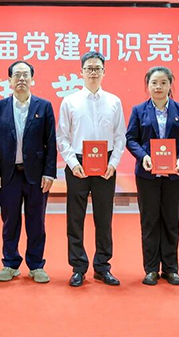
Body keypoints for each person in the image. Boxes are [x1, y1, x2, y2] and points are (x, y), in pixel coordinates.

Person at [57, 51, 126, 287]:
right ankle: (78, 267)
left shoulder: (114, 101)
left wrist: (113, 163)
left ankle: (102, 266)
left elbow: (120, 136)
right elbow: (62, 137)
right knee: (75, 218)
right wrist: (72, 163)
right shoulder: (70, 101)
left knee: (104, 218)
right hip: (77, 163)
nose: (93, 72)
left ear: (104, 72)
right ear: (81, 72)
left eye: (97, 68)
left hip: (105, 164)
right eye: (89, 68)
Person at [0, 61, 57, 284]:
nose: (21, 79)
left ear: (32, 79)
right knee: (10, 221)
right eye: (17, 75)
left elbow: (51, 142)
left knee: (36, 221)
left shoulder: (43, 107)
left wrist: (49, 173)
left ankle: (36, 265)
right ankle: (10, 263)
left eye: (26, 75)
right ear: (9, 80)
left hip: (36, 175)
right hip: (8, 175)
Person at [125, 66, 179, 285]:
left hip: (174, 175)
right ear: (147, 85)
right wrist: (143, 156)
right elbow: (131, 139)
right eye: (154, 83)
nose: (158, 87)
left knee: (171, 221)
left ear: (170, 85)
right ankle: (151, 269)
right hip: (147, 175)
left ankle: (171, 268)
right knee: (150, 221)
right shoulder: (139, 110)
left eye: (163, 82)